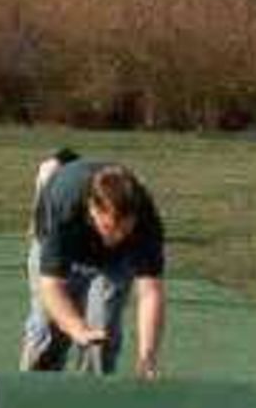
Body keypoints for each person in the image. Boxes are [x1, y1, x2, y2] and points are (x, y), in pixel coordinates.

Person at [21, 158, 166, 377]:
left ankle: (93, 400)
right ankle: (33, 397)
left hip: (114, 263)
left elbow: (150, 291)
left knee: (102, 334)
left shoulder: (146, 220)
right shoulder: (65, 204)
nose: (116, 237)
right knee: (47, 331)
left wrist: (148, 356)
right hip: (66, 246)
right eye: (108, 227)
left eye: (124, 230)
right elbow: (51, 286)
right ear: (92, 209)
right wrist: (75, 326)